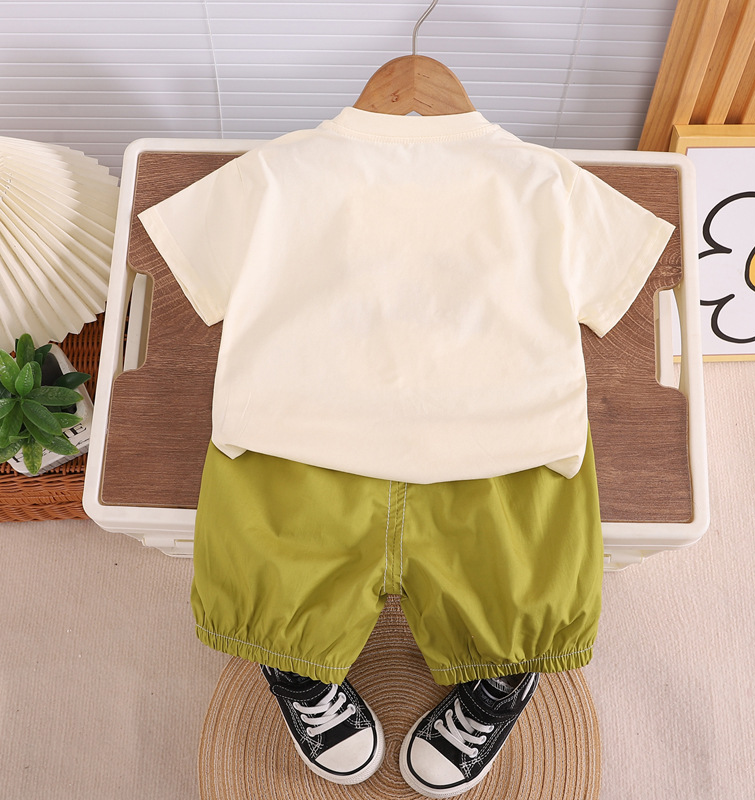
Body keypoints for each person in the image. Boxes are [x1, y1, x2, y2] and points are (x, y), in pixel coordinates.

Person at [139, 106, 673, 796]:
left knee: (512, 604)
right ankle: (305, 665)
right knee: (285, 591)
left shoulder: (547, 183)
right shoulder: (272, 176)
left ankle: (496, 673)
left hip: (486, 455)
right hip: (314, 450)